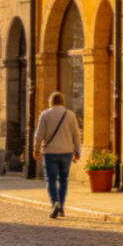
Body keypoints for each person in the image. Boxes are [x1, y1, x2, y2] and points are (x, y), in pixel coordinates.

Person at [32, 91, 81, 219]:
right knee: (64, 180)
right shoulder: (70, 115)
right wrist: (78, 150)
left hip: (50, 152)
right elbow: (76, 134)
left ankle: (55, 202)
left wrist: (36, 149)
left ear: (51, 102)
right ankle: (62, 207)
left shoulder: (45, 114)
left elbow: (39, 134)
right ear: (63, 101)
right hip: (66, 152)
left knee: (51, 179)